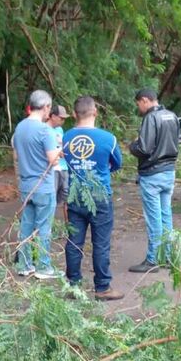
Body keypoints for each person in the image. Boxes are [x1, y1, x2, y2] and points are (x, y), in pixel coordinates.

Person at [62, 96, 124, 301]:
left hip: (74, 196)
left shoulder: (65, 138)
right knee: (101, 243)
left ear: (74, 114)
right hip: (100, 196)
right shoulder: (108, 138)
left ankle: (74, 286)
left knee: (74, 242)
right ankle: (102, 287)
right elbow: (117, 163)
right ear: (95, 112)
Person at [128, 88, 180, 273]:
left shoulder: (151, 118)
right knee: (166, 216)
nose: (139, 108)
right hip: (169, 172)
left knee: (154, 219)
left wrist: (131, 146)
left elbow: (144, 148)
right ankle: (167, 256)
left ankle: (153, 260)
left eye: (138, 104)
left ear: (144, 100)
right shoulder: (172, 116)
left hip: (152, 174)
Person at [12, 90, 62, 279]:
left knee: (26, 226)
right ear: (46, 107)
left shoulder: (20, 127)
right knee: (44, 227)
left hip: (26, 186)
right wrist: (59, 150)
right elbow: (53, 160)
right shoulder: (44, 130)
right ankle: (43, 266)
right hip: (43, 186)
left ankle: (24, 265)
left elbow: (17, 155)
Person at [46, 104, 70, 216]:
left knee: (65, 191)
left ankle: (56, 212)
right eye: (61, 118)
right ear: (53, 116)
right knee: (52, 192)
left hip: (63, 166)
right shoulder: (44, 130)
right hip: (52, 167)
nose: (63, 121)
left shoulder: (60, 129)